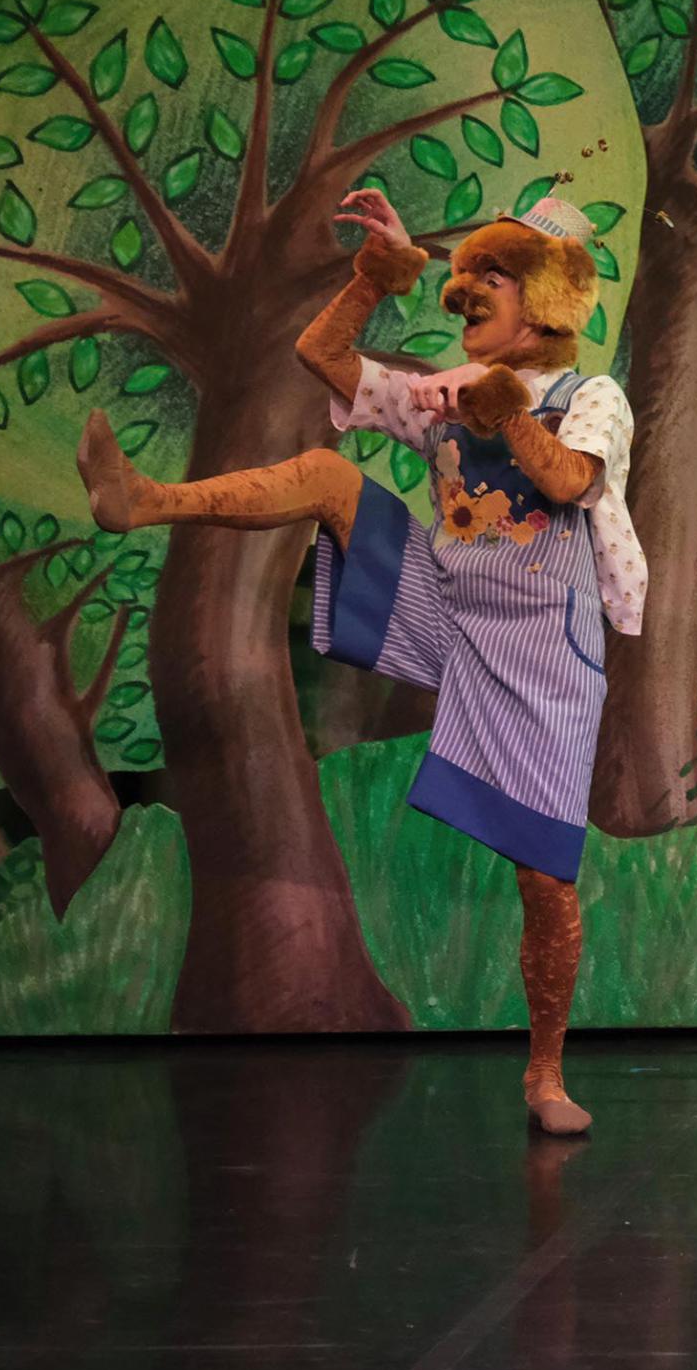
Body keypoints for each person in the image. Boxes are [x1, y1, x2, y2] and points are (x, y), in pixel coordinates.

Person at [75, 186, 646, 1137]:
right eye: (466, 275)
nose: (468, 292)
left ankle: (545, 1073)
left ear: (545, 299)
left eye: (494, 277)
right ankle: (144, 500)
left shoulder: (592, 397)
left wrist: (504, 410)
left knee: (545, 880)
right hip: (448, 610)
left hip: (544, 657)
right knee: (330, 475)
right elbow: (325, 358)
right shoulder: (448, 396)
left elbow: (568, 478)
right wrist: (374, 280)